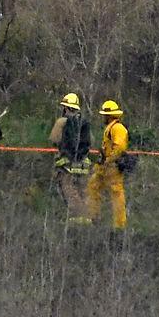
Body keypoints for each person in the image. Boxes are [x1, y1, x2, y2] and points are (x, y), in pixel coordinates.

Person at [87, 99, 131, 230]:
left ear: (110, 115)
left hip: (112, 167)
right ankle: (94, 217)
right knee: (93, 187)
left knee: (117, 194)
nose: (103, 117)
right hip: (104, 167)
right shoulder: (110, 128)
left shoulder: (118, 128)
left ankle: (119, 225)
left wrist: (109, 160)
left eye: (105, 115)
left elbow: (119, 147)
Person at [49, 92, 91, 221]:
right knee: (84, 192)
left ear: (65, 108)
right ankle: (88, 217)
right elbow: (90, 142)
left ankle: (77, 218)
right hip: (83, 165)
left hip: (66, 164)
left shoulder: (62, 121)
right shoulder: (84, 123)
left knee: (69, 191)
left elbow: (54, 139)